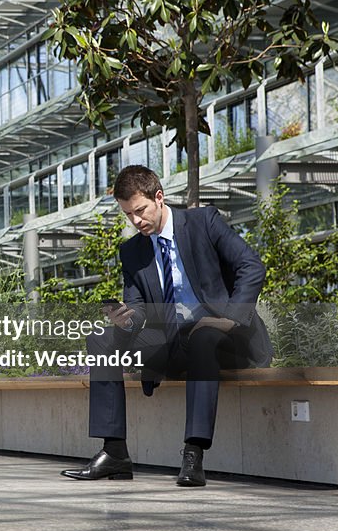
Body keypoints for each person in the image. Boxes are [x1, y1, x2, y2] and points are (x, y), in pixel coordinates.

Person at [61, 165, 271, 487]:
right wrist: (127, 317)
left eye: (140, 210)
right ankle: (114, 452)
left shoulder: (204, 222)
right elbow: (141, 310)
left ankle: (193, 453)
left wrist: (229, 317)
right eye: (128, 215)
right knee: (101, 341)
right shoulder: (132, 251)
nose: (136, 221)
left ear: (159, 198)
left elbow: (251, 266)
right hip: (171, 341)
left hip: (224, 340)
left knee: (204, 336)